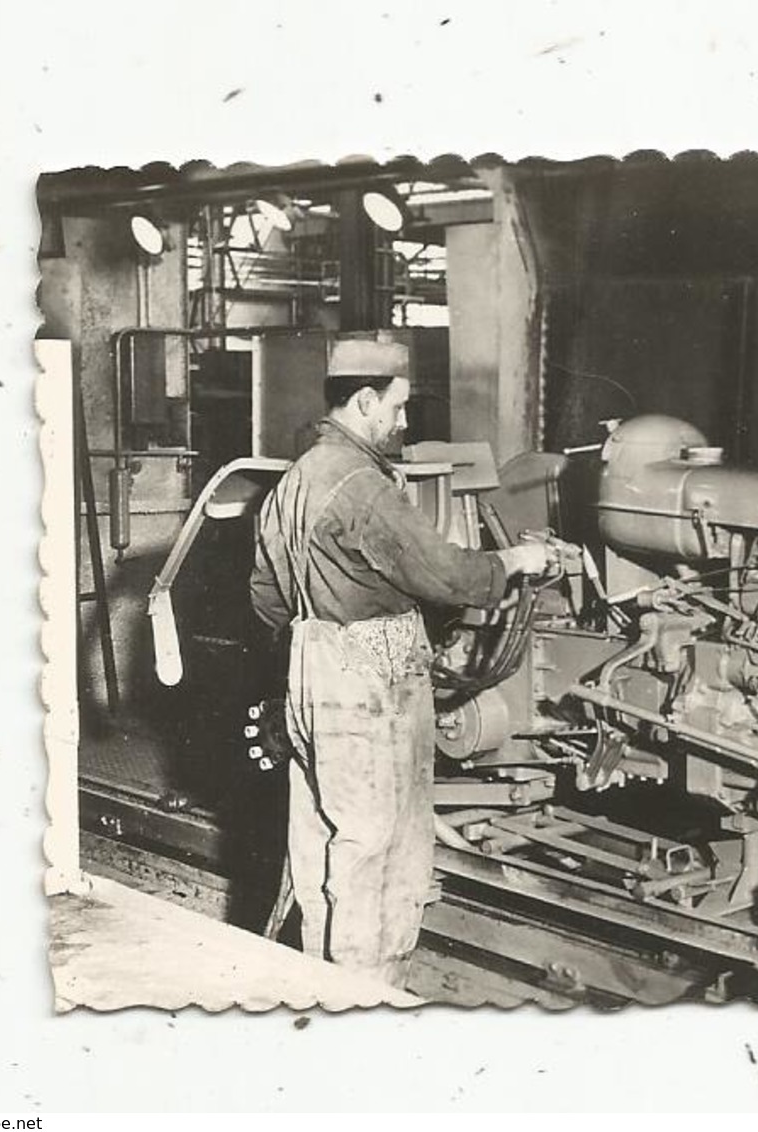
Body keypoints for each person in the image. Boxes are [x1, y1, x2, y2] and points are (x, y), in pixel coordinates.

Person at [249, 337, 548, 986]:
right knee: (379, 843)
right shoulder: (362, 488)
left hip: (307, 664)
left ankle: (315, 981)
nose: (403, 423)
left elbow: (265, 596)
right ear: (363, 400)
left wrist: (313, 648)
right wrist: (516, 563)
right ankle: (364, 993)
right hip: (368, 679)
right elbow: (446, 574)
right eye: (396, 407)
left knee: (318, 834)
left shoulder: (291, 481)